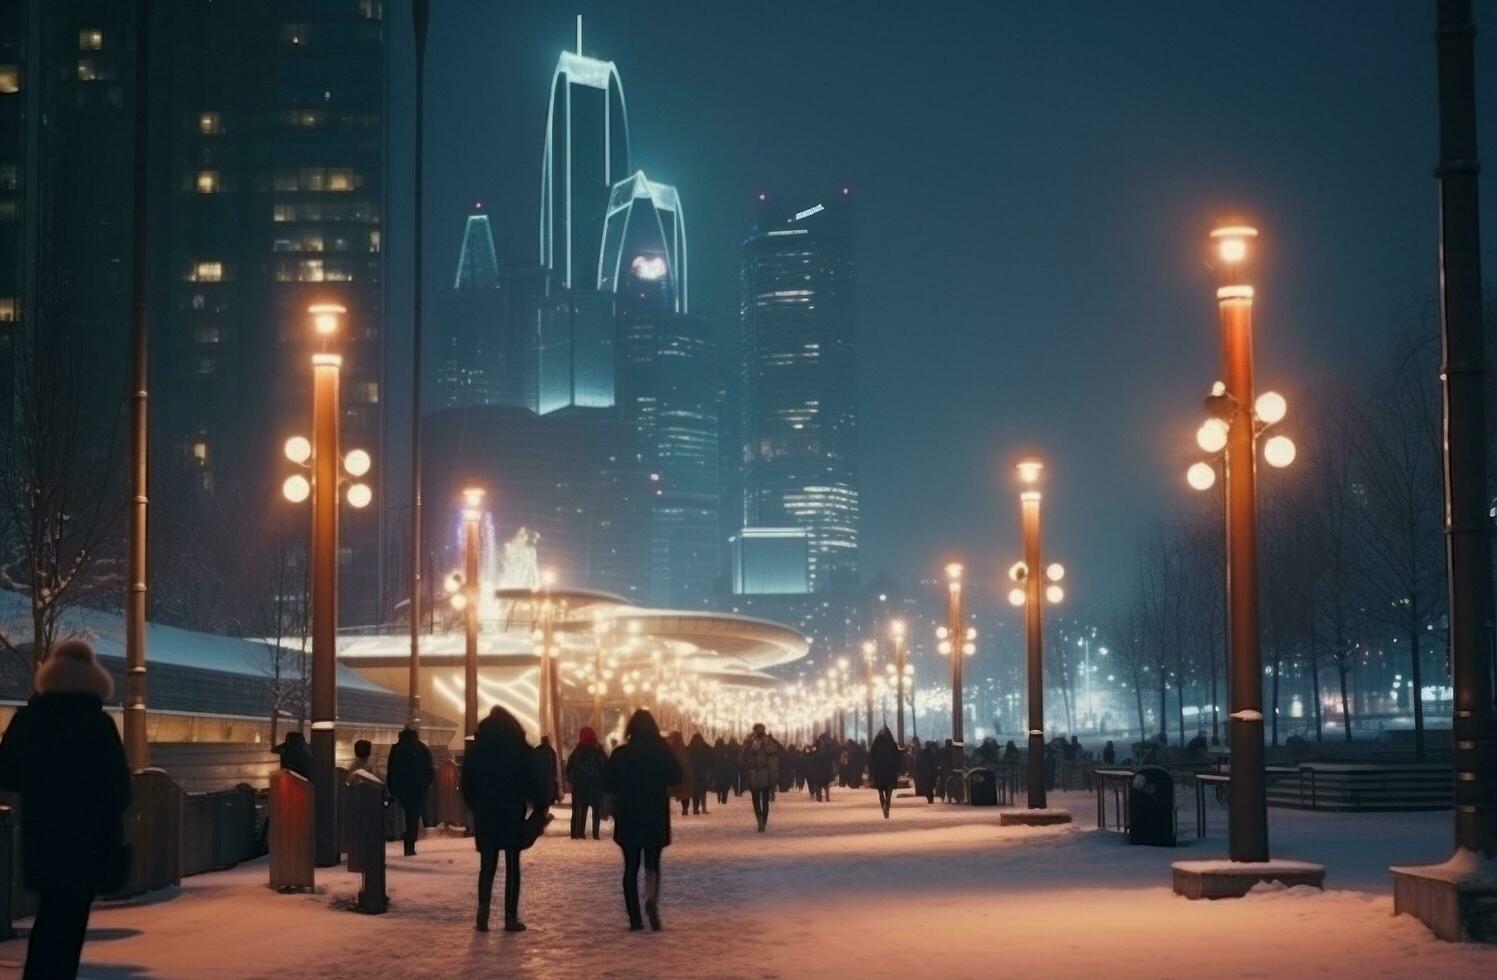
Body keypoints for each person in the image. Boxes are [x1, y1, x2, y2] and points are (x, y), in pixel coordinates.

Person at [0, 640, 131, 980]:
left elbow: (7, 774)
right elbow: (120, 792)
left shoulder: (30, 720)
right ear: (93, 677)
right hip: (89, 845)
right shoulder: (99, 725)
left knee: (49, 919)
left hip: (42, 839)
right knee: (69, 926)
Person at [461, 706, 548, 932]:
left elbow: (467, 783)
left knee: (487, 864)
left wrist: (475, 806)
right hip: (512, 811)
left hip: (486, 812)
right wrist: (539, 807)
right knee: (512, 864)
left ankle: (483, 911)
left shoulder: (478, 750)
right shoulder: (520, 749)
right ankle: (510, 917)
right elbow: (534, 781)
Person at [604, 709, 682, 931]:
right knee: (652, 863)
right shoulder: (661, 752)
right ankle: (651, 898)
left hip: (628, 814)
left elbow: (608, 783)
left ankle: (634, 918)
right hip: (654, 813)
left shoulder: (621, 754)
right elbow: (677, 775)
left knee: (630, 866)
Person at [386, 728, 434, 856]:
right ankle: (410, 845)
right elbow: (429, 769)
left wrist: (391, 788)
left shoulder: (396, 748)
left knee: (402, 817)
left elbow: (390, 769)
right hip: (417, 790)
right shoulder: (421, 748)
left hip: (400, 790)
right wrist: (424, 786)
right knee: (413, 818)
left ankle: (403, 837)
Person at [566, 726, 608, 840]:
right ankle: (595, 833)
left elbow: (569, 767)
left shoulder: (577, 751)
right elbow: (606, 767)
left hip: (580, 785)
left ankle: (577, 832)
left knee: (579, 809)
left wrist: (571, 780)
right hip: (596, 785)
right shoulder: (599, 752)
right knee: (596, 809)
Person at [740, 724, 781, 832]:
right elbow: (742, 757)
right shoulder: (752, 742)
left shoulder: (763, 741)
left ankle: (762, 822)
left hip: (760, 774)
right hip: (758, 774)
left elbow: (775, 751)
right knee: (759, 800)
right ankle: (761, 822)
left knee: (760, 799)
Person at [868, 727, 900, 818]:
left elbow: (871, 759)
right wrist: (897, 769)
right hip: (889, 770)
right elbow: (897, 757)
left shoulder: (876, 744)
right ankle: (887, 808)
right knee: (888, 792)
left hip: (880, 771)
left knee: (881, 792)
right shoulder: (892, 743)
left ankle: (884, 809)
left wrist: (872, 771)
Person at [687, 733, 714, 815]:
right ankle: (701, 808)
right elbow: (711, 752)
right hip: (701, 772)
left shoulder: (690, 748)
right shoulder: (704, 748)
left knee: (697, 791)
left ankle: (696, 808)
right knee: (701, 791)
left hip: (694, 772)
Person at [666, 731, 692, 816]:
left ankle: (668, 808)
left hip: (670, 772)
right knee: (684, 793)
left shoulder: (668, 747)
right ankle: (685, 809)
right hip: (683, 772)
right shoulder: (683, 747)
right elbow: (686, 759)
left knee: (668, 792)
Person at [536, 734, 561, 804]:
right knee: (550, 788)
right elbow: (554, 764)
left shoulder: (538, 749)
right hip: (549, 774)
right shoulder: (551, 751)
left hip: (540, 774)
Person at [712, 737, 735, 806]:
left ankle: (719, 798)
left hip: (717, 771)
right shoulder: (726, 750)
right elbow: (730, 760)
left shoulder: (715, 750)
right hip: (726, 772)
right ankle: (724, 800)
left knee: (719, 786)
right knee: (725, 787)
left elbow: (713, 761)